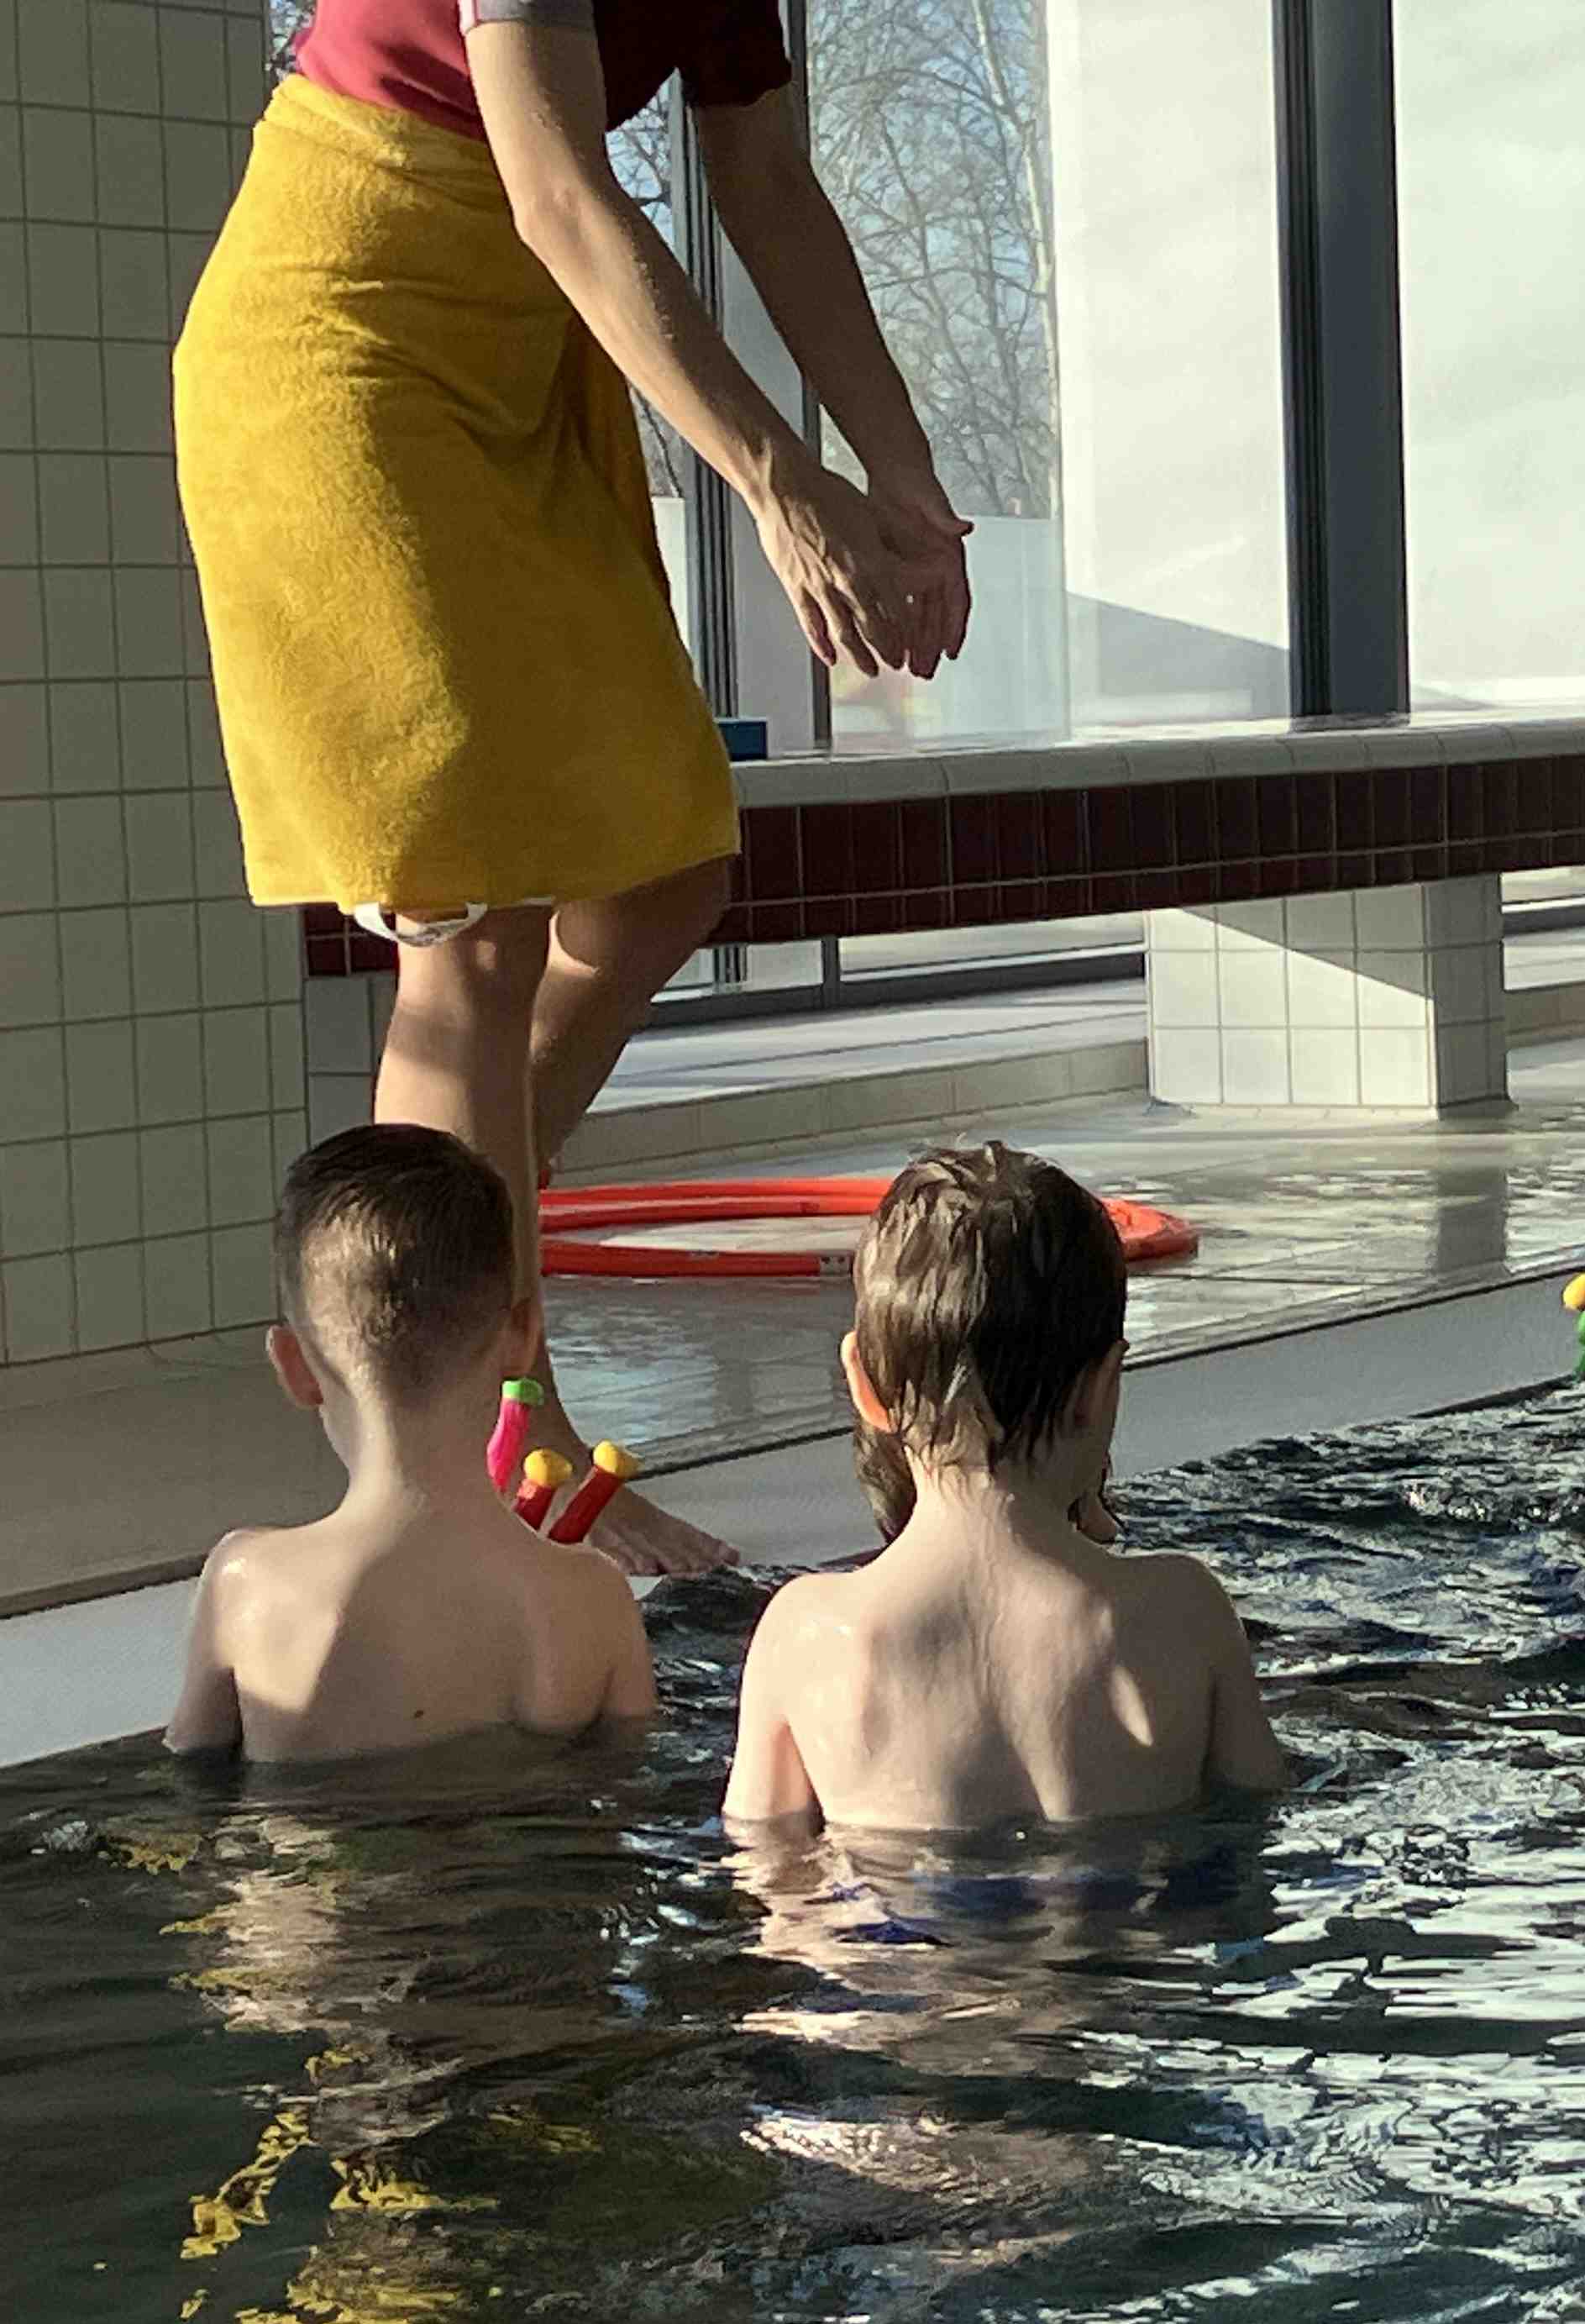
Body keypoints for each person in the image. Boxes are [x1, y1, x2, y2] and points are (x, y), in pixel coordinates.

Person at [175, 1, 977, 1575]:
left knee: (659, 872)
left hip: (528, 358)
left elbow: (768, 182)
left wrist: (906, 476)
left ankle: (408, 1295)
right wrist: (776, 482)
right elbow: (556, 186)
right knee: (470, 936)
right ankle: (493, 1446)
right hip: (349, 337)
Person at [724, 1147, 1292, 1832]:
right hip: (1128, 1898)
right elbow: (1257, 1820)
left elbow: (766, 1863)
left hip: (886, 1904)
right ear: (1102, 1387)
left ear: (865, 1389)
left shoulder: (805, 1635)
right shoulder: (1181, 1612)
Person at [171, 1126, 653, 1762]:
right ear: (523, 1338)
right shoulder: (591, 1597)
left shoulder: (248, 1583)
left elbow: (190, 1766)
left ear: (294, 1365)